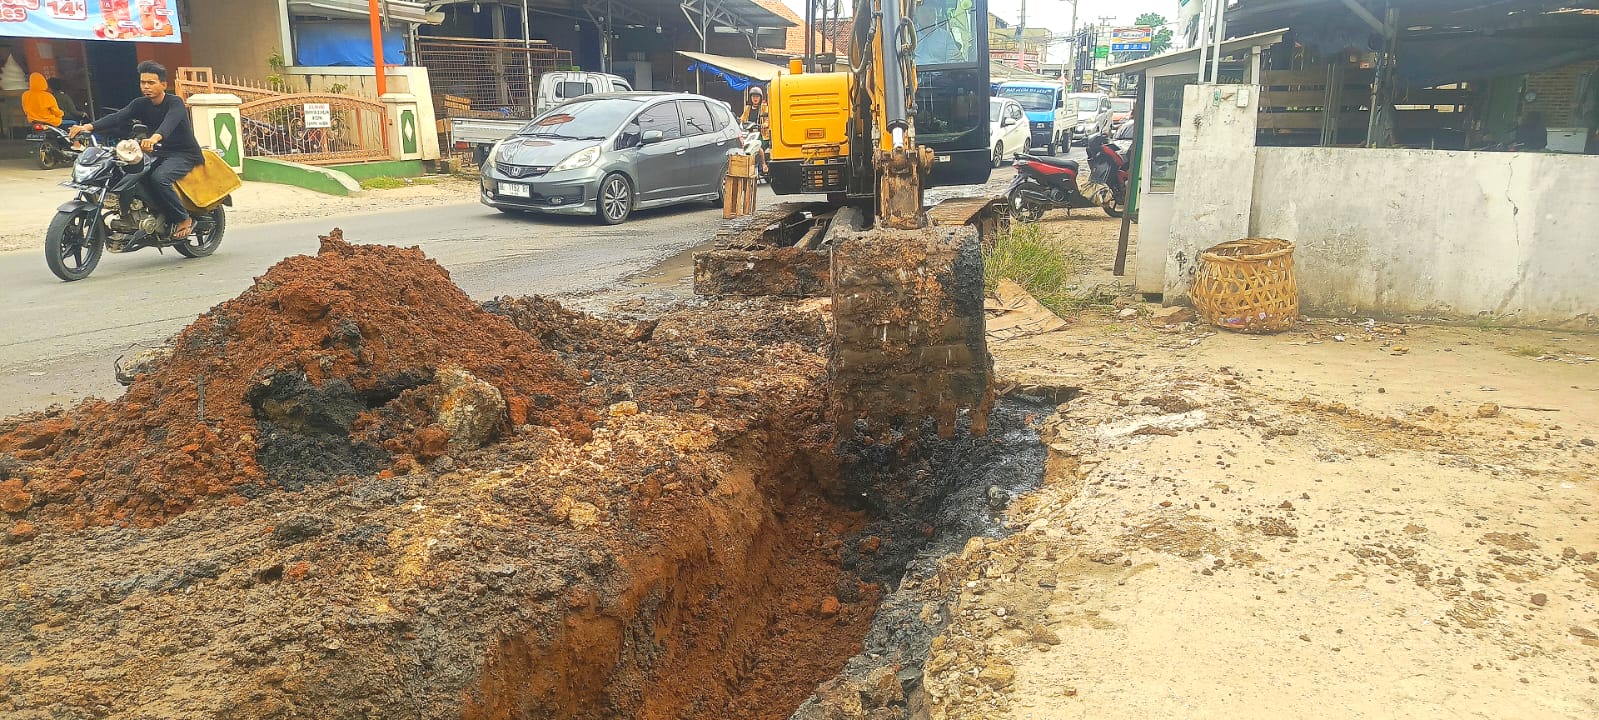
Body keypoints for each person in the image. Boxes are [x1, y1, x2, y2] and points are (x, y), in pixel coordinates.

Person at [70, 61, 204, 239]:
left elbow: (169, 123)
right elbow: (118, 117)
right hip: (157, 152)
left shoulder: (175, 103)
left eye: (151, 83)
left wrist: (154, 138)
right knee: (129, 174)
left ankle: (183, 218)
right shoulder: (140, 104)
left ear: (163, 85)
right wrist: (87, 127)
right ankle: (141, 214)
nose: (146, 87)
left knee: (160, 178)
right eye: (143, 82)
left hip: (183, 153)